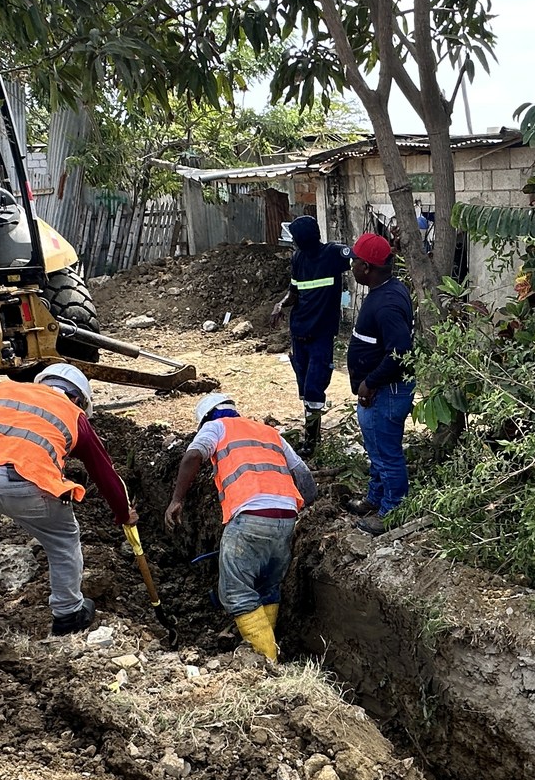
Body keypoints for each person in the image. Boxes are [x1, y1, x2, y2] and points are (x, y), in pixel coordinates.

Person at [0, 362, 136, 639]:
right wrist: (123, 514)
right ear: (78, 400)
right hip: (23, 480)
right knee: (62, 541)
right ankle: (68, 614)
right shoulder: (73, 414)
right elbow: (104, 473)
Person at [165, 391, 317, 663]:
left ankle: (267, 659)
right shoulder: (269, 432)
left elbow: (192, 456)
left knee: (236, 592)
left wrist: (177, 500)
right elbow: (302, 473)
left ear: (205, 418)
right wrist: (304, 506)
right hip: (286, 517)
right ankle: (267, 644)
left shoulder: (215, 427)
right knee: (267, 586)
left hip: (250, 516)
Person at [346, 231, 414, 528]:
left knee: (387, 454)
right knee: (377, 449)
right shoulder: (386, 290)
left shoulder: (387, 304)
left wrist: (370, 382)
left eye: (354, 262)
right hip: (381, 390)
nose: (351, 267)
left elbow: (400, 352)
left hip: (385, 391)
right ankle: (376, 498)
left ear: (367, 267)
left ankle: (392, 512)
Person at [273, 214, 352, 453]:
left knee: (314, 388)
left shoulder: (333, 253)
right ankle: (311, 431)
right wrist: (281, 304)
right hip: (299, 333)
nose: (293, 242)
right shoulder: (298, 259)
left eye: (295, 238)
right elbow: (294, 292)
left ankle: (311, 441)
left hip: (321, 335)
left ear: (303, 238)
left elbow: (359, 257)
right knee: (304, 388)